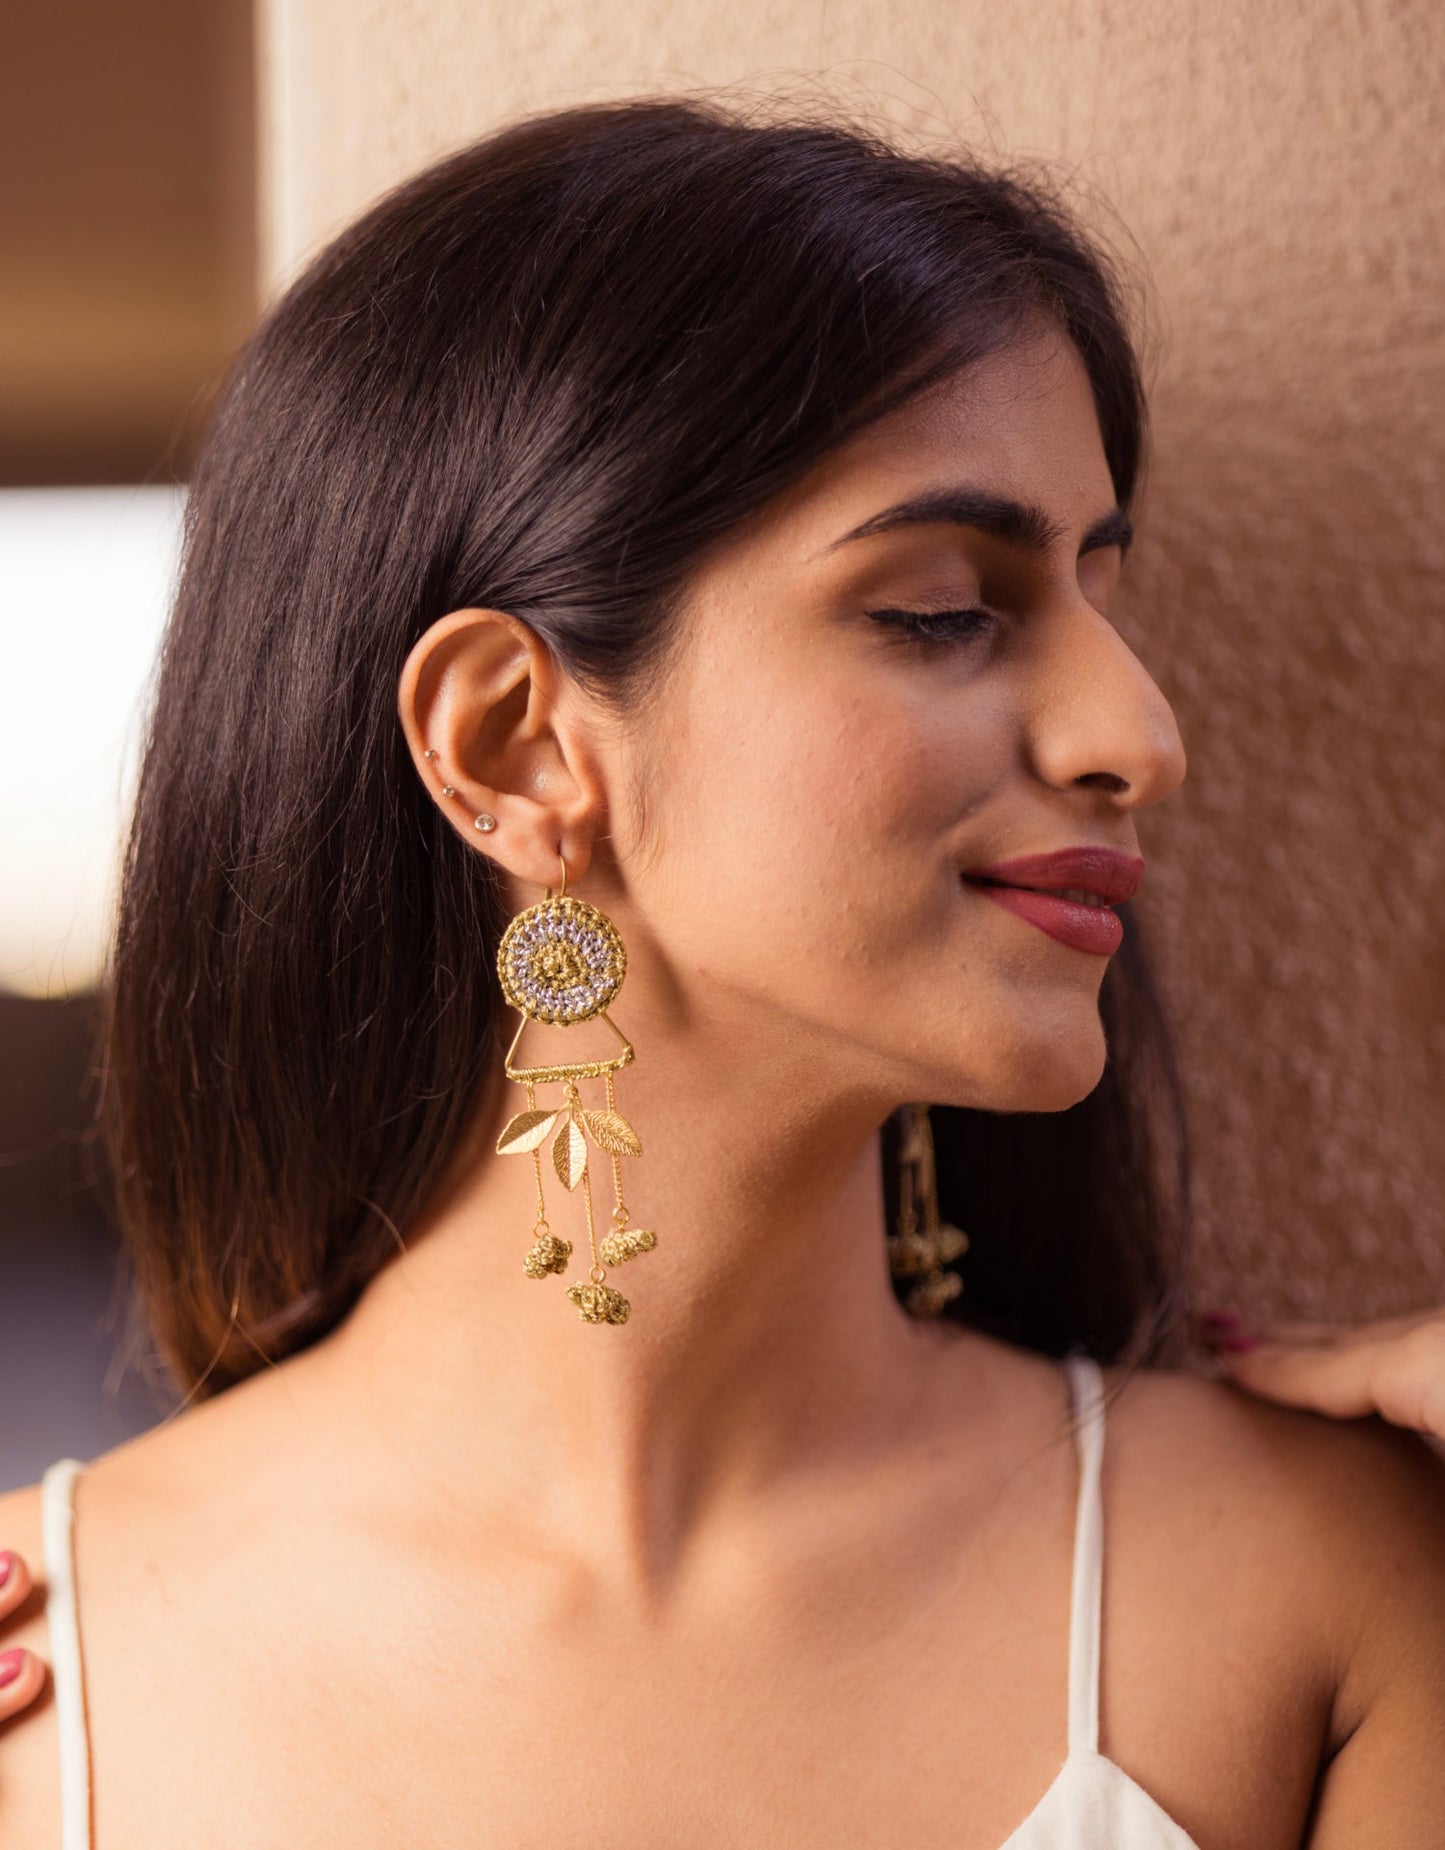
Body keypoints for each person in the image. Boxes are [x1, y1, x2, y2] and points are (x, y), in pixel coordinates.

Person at [1, 95, 1443, 1846]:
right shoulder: (51, 1695)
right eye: (939, 609)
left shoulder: (1314, 1585)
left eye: (1100, 593)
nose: (1137, 735)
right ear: (519, 746)